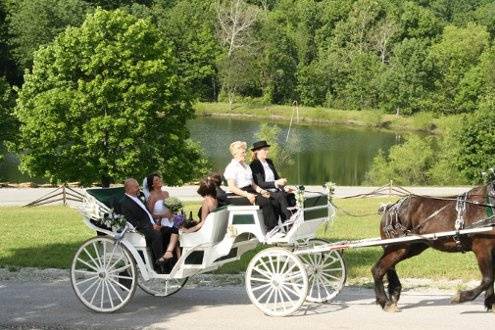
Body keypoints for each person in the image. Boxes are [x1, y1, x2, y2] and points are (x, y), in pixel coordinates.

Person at [223, 141, 279, 230]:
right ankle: (271, 228)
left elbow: (253, 184)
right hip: (237, 194)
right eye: (242, 152)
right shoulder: (231, 167)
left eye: (245, 152)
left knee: (271, 197)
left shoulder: (246, 167)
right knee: (265, 201)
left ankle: (274, 226)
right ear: (235, 153)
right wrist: (247, 195)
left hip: (249, 190)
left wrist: (262, 191)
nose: (245, 154)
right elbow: (232, 187)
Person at [119, 178, 169, 272]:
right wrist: (151, 226)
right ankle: (159, 264)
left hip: (151, 225)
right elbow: (133, 222)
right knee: (156, 235)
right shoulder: (124, 203)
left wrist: (156, 223)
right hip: (141, 229)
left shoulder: (138, 198)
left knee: (170, 231)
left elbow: (147, 214)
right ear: (129, 189)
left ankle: (170, 261)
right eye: (136, 187)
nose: (139, 188)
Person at [249, 140, 292, 221]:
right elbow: (260, 183)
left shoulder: (269, 162)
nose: (267, 151)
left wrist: (284, 186)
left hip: (275, 189)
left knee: (290, 195)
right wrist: (276, 183)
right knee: (281, 196)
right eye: (264, 149)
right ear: (257, 151)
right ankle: (288, 222)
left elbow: (276, 177)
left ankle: (290, 221)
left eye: (267, 149)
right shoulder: (254, 164)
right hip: (264, 191)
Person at [145, 173, 179, 260]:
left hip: (171, 219)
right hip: (160, 223)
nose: (159, 180)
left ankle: (179, 259)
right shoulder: (151, 197)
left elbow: (171, 208)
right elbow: (150, 215)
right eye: (156, 180)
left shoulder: (166, 193)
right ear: (152, 184)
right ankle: (169, 255)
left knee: (186, 226)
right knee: (175, 231)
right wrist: (163, 215)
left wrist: (174, 212)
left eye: (159, 179)